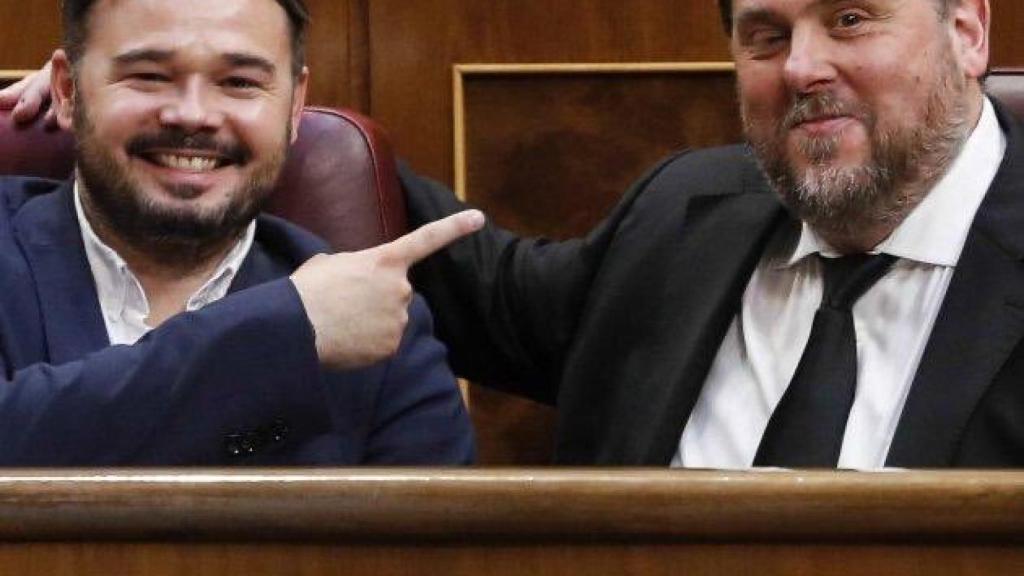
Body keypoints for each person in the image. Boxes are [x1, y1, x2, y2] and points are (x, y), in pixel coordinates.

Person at [9, 0, 1016, 469]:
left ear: (968, 30)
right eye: (764, 33)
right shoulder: (688, 216)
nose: (800, 67)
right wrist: (189, 125)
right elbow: (470, 276)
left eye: (851, 19)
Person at [0, 0, 483, 465]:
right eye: (149, 76)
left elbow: (430, 545)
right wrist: (284, 336)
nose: (193, 114)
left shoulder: (379, 322)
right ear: (67, 91)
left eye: (239, 82)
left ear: (294, 107)